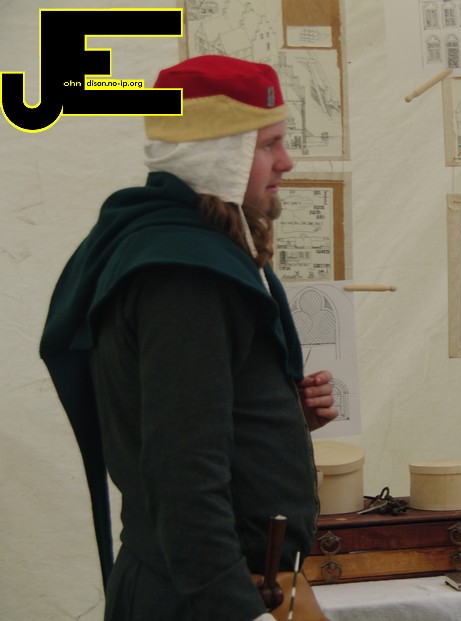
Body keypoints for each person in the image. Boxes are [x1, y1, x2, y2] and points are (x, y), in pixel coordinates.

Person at [39, 55, 337, 621]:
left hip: (235, 586)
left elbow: (188, 419)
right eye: (268, 144)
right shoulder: (184, 276)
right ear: (216, 155)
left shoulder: (190, 250)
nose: (287, 161)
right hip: (207, 597)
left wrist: (275, 420)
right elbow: (182, 476)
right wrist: (239, 612)